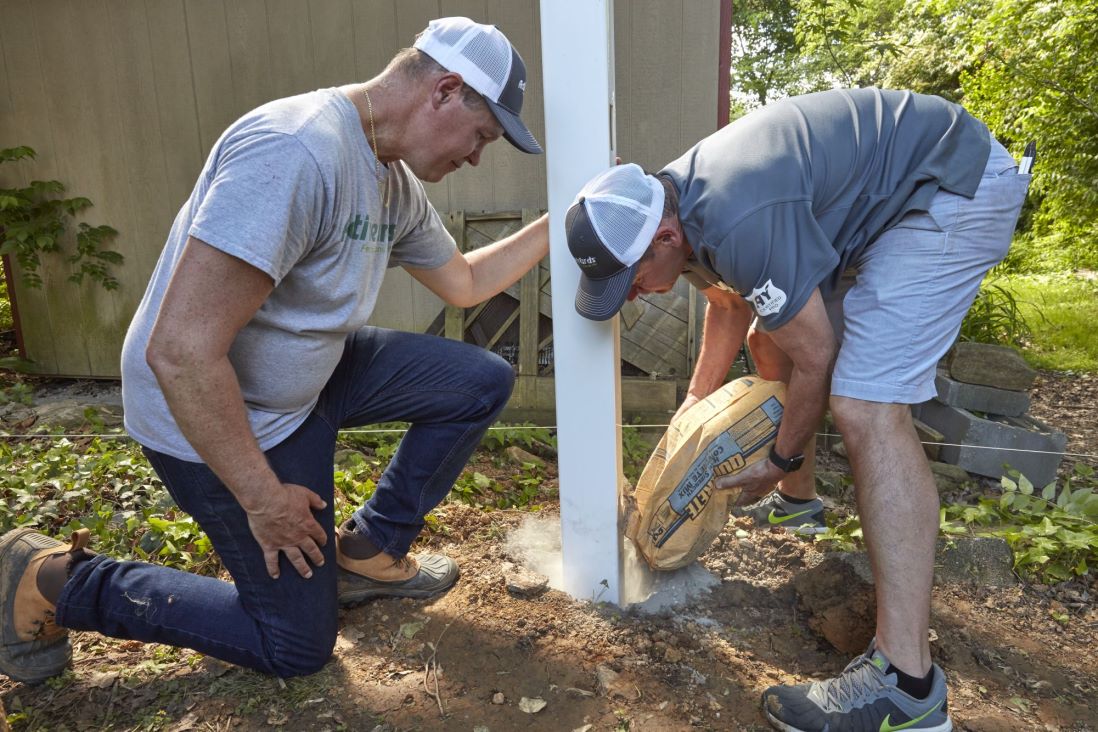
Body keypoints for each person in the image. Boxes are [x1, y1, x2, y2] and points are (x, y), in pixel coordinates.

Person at [0, 16, 548, 683]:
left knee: (477, 380)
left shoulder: (392, 181)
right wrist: (264, 499)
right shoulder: (295, 152)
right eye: (482, 136)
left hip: (309, 382)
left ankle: (369, 550)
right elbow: (179, 352)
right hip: (218, 411)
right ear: (445, 90)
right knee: (295, 646)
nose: (476, 157)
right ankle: (49, 577)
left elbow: (465, 283)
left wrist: (561, 224)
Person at [565, 87, 1029, 731]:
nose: (635, 296)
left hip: (950, 187)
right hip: (891, 197)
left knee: (865, 403)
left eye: (632, 280)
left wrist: (777, 460)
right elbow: (729, 305)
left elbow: (818, 354)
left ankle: (906, 687)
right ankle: (802, 507)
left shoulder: (733, 216)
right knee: (767, 337)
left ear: (665, 237)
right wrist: (692, 415)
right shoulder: (669, 205)